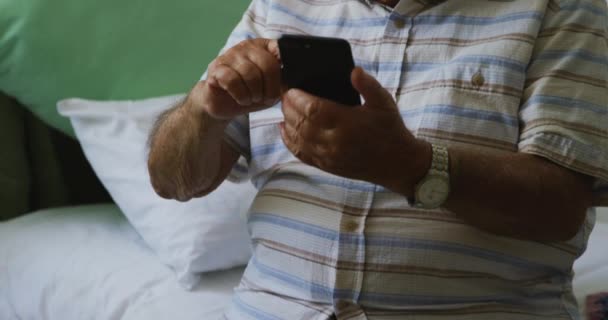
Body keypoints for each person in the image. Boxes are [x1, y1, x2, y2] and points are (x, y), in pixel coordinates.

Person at [148, 0, 608, 319]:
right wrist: (203, 107)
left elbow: (559, 205)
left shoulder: (562, 12)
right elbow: (171, 180)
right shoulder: (278, 8)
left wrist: (410, 166)